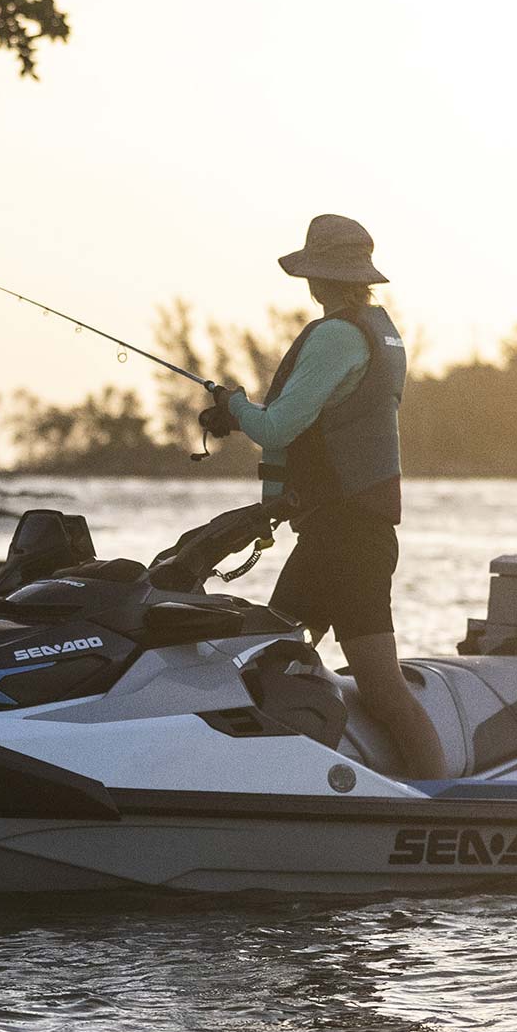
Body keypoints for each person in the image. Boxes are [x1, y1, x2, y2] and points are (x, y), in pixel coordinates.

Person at [199, 214, 447, 780]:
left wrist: (235, 405)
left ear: (316, 278)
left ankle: (435, 799)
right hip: (352, 534)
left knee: (280, 664)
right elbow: (328, 421)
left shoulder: (335, 335)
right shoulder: (379, 332)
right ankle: (417, 789)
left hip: (344, 539)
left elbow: (279, 428)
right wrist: (239, 416)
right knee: (281, 661)